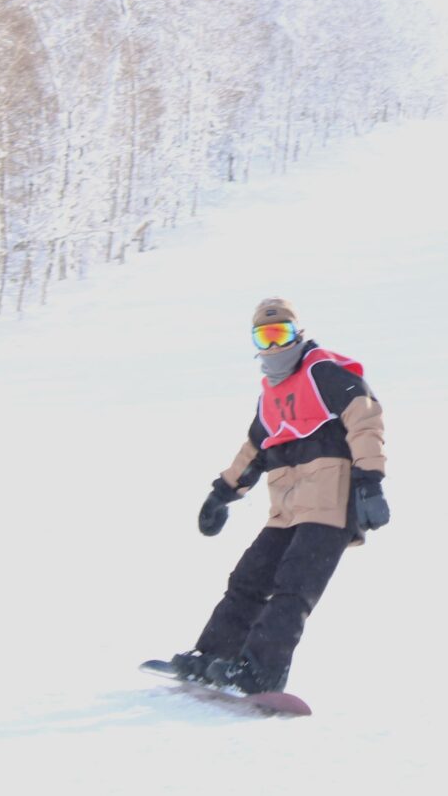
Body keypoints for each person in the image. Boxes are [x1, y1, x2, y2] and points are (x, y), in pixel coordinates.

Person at [167, 297, 389, 693]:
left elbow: (365, 419)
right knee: (247, 578)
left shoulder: (323, 372)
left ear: (297, 334)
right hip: (287, 508)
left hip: (330, 504)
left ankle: (263, 671)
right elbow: (254, 450)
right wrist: (221, 494)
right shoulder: (270, 394)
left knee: (293, 586)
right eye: (264, 337)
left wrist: (370, 482)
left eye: (281, 334)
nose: (273, 346)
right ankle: (215, 655)